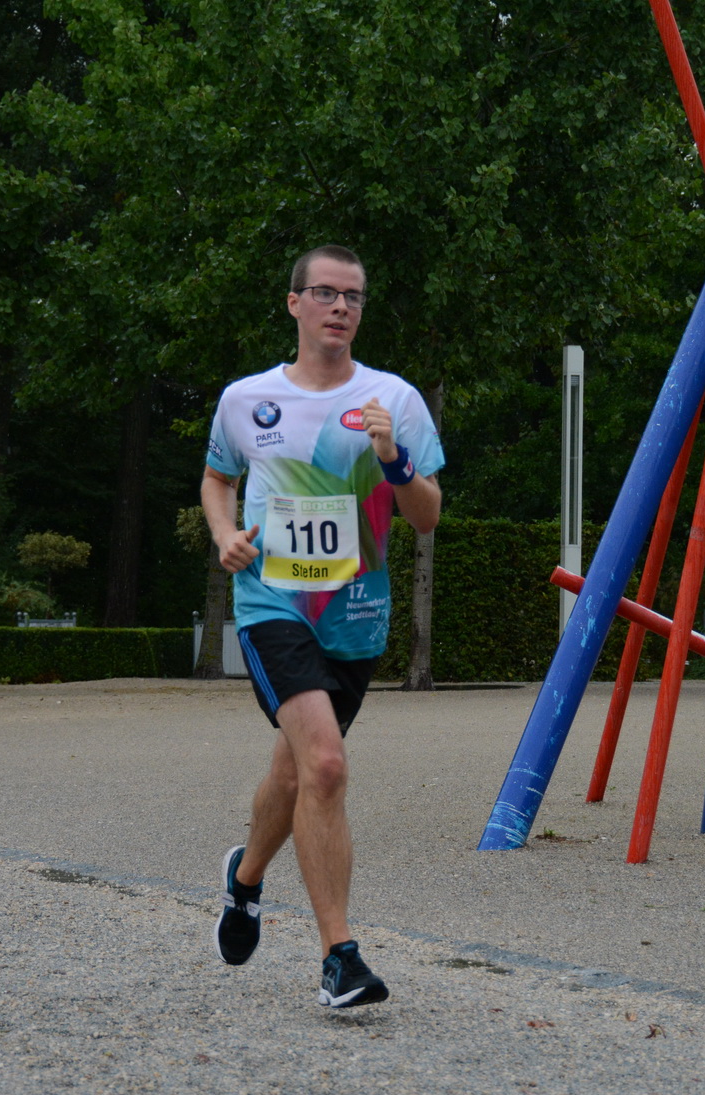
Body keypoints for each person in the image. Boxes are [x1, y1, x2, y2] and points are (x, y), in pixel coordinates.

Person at [203, 245, 443, 1007]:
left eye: (354, 297)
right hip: (272, 603)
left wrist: (393, 458)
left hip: (356, 617)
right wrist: (223, 533)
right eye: (326, 293)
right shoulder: (247, 398)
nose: (341, 306)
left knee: (293, 773)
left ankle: (245, 880)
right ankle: (340, 957)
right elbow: (217, 478)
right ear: (295, 303)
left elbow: (428, 517)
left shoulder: (394, 400)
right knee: (328, 766)